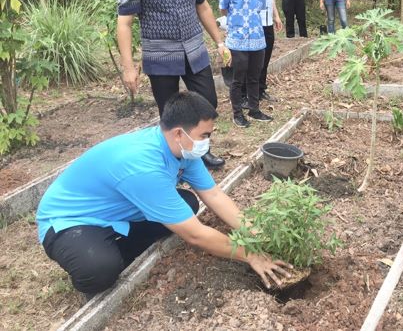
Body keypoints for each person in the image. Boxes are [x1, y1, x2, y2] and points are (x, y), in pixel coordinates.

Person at [36, 91, 292, 298]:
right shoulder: (143, 166)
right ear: (180, 132)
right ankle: (100, 253)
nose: (207, 141)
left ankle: (115, 245)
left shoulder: (182, 149)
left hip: (119, 209)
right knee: (100, 270)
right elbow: (195, 235)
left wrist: (253, 231)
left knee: (188, 202)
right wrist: (250, 255)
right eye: (205, 135)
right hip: (71, 222)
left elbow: (213, 195)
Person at [116, 0, 228, 170]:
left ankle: (202, 151)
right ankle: (173, 160)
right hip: (161, 57)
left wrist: (219, 42)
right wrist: (128, 67)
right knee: (169, 113)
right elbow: (124, 23)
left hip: (194, 51)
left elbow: (203, 6)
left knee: (207, 102)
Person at [219, 0, 273, 128]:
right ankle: (237, 114)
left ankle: (254, 109)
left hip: (258, 39)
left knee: (254, 77)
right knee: (237, 79)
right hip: (237, 39)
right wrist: (237, 24)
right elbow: (223, 9)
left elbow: (260, 9)